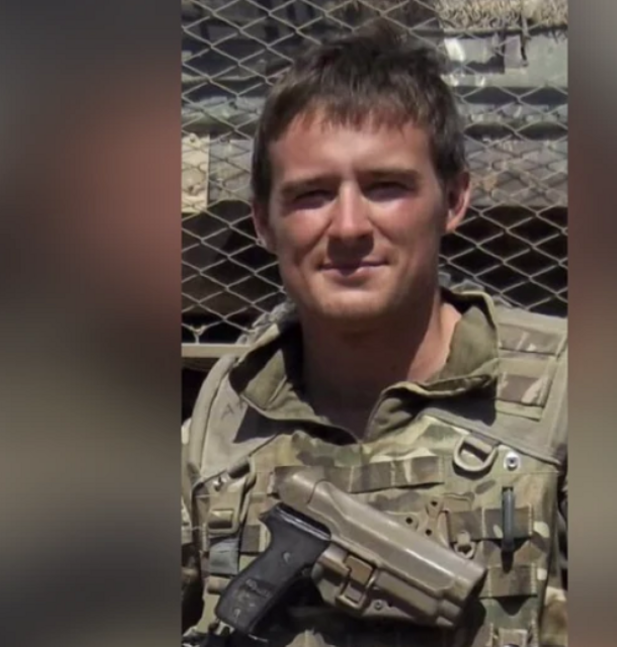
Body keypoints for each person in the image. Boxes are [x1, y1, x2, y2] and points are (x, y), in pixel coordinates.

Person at [182, 21, 567, 647]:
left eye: (387, 187)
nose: (349, 226)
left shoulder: (567, 399)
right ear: (263, 222)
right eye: (312, 194)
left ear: (455, 198)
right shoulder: (224, 417)